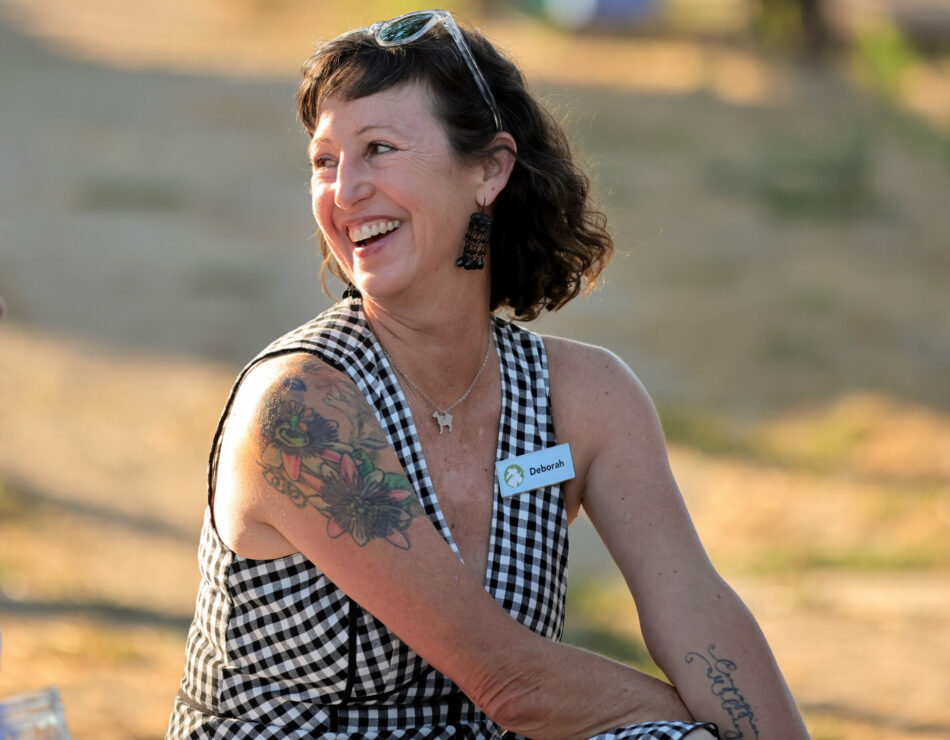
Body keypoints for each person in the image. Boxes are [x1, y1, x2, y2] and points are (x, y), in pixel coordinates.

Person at [167, 9, 809, 739]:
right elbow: (511, 684)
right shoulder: (300, 410)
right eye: (324, 160)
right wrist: (710, 729)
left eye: (379, 149)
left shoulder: (585, 400)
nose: (343, 193)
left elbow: (697, 610)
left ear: (489, 171)